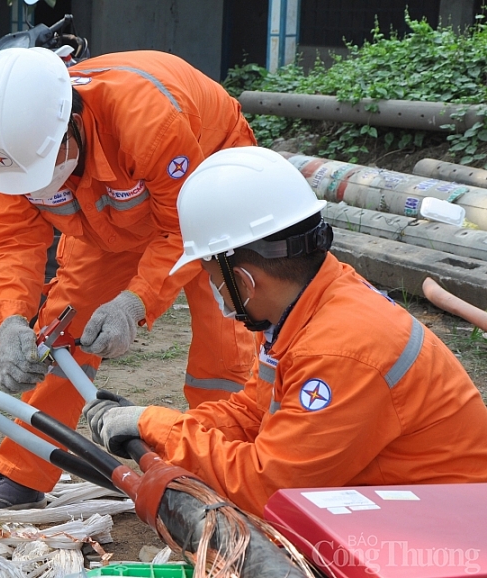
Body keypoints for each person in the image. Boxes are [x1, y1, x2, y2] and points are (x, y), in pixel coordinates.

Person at [84, 146, 487, 517]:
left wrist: (159, 428)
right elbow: (257, 411)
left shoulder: (340, 349)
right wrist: (156, 425)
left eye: (210, 277)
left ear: (242, 278)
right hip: (404, 500)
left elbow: (270, 488)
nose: (213, 291)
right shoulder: (305, 306)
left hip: (443, 528)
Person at [0, 47, 258, 509]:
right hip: (109, 216)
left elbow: (184, 229)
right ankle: (24, 471)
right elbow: (13, 242)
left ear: (71, 120)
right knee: (61, 330)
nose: (40, 187)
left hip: (210, 187)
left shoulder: (147, 121)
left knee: (227, 339)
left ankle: (226, 471)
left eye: (46, 168)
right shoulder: (12, 151)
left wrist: (134, 303)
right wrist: (12, 319)